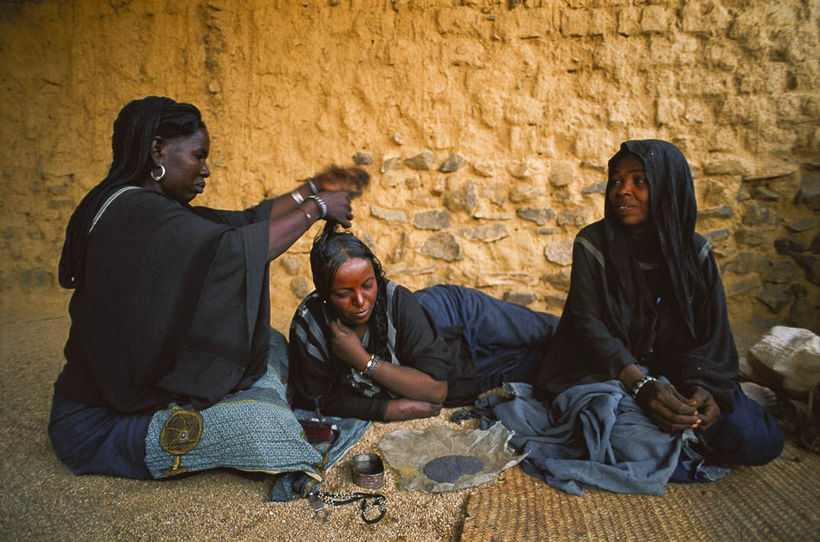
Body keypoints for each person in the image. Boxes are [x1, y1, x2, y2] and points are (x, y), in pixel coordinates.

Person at [49, 96, 367, 479]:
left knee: (272, 345)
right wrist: (316, 207)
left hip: (144, 385)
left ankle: (254, 401)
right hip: (98, 425)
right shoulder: (134, 212)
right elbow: (236, 250)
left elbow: (245, 222)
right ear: (157, 150)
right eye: (198, 156)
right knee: (259, 427)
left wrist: (312, 188)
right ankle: (261, 415)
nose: (207, 170)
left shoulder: (147, 205)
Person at [534, 139, 783, 482]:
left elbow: (712, 336)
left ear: (669, 186)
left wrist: (704, 390)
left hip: (679, 374)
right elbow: (588, 325)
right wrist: (641, 386)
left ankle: (713, 416)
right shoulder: (592, 243)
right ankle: (690, 439)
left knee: (760, 440)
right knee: (618, 435)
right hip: (608, 373)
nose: (623, 191)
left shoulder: (696, 253)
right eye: (616, 180)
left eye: (639, 181)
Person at [288, 223, 559, 422]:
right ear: (324, 294)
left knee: (552, 331)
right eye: (343, 293)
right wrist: (388, 410)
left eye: (368, 285)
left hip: (457, 316)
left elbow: (433, 390)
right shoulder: (310, 327)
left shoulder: (397, 300)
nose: (360, 300)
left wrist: (362, 360)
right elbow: (321, 399)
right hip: (462, 370)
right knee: (545, 364)